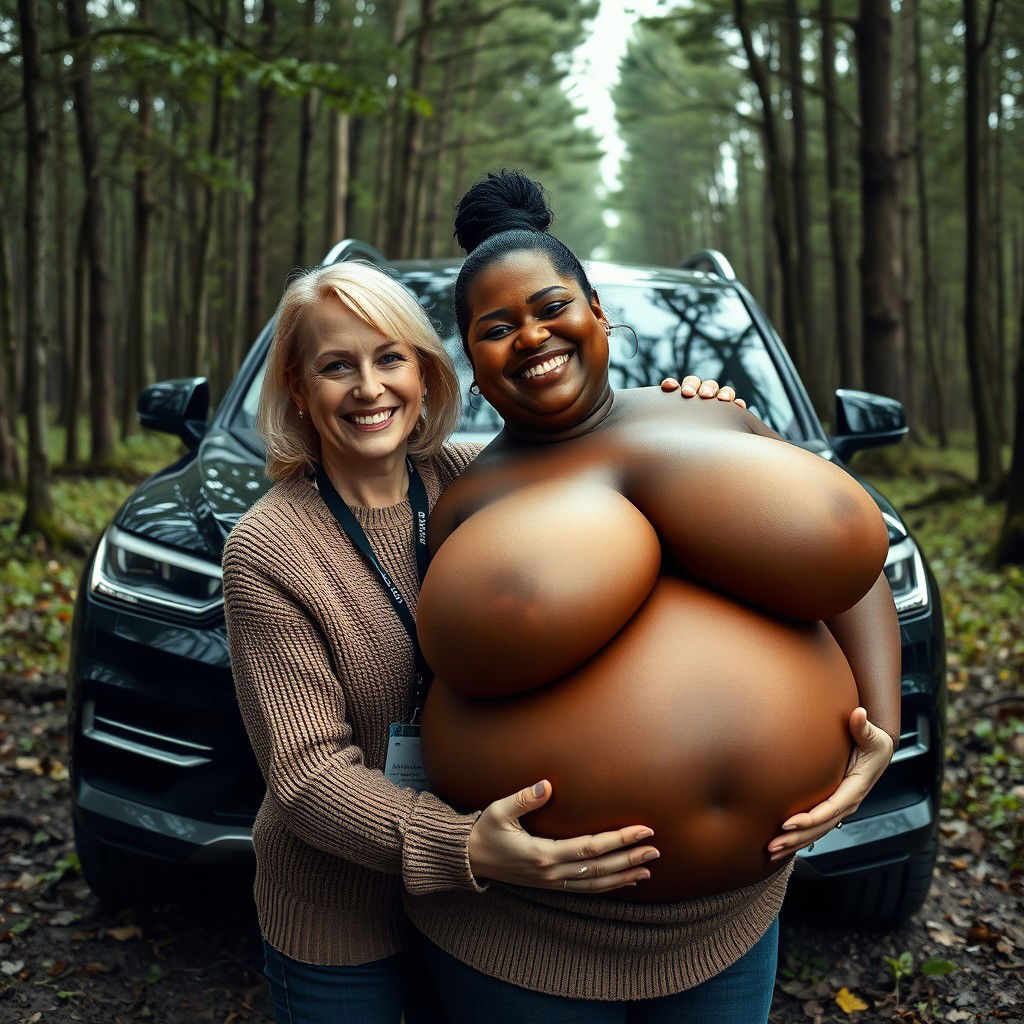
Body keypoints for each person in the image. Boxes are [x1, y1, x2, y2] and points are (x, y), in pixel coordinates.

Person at [403, 170, 901, 1022]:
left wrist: (880, 732)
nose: (530, 336)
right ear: (473, 366)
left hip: (727, 926)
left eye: (550, 306)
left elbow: (843, 567)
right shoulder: (464, 500)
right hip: (529, 933)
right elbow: (428, 675)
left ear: (597, 311)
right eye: (495, 328)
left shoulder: (720, 420)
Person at [221, 259, 734, 1024]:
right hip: (344, 906)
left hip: (490, 912)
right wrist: (463, 847)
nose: (369, 388)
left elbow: (623, 465)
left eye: (390, 358)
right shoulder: (267, 547)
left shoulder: (481, 480)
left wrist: (697, 411)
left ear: (424, 374)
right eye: (337, 366)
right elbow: (305, 774)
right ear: (298, 388)